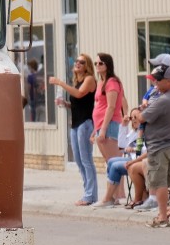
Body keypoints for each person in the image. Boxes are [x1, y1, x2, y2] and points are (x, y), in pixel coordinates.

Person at [140, 64, 170, 227]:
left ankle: (162, 217)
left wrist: (141, 110)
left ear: (168, 81)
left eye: (158, 81)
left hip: (160, 147)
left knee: (160, 182)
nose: (155, 84)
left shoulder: (164, 100)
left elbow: (142, 118)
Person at [49, 53, 97, 205]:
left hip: (85, 123)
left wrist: (59, 83)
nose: (77, 64)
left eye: (81, 62)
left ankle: (90, 195)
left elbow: (79, 93)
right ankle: (87, 193)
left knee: (86, 159)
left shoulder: (89, 79)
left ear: (87, 65)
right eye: (76, 61)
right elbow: (78, 102)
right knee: (78, 160)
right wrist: (65, 103)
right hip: (75, 124)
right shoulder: (77, 81)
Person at [89, 53, 125, 205]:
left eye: (101, 63)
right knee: (109, 163)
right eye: (96, 63)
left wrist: (103, 129)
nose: (97, 66)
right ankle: (114, 196)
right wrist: (95, 131)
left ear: (107, 65)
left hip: (109, 126)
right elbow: (99, 107)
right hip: (100, 125)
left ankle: (114, 196)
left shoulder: (112, 82)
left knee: (114, 163)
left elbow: (111, 107)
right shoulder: (100, 83)